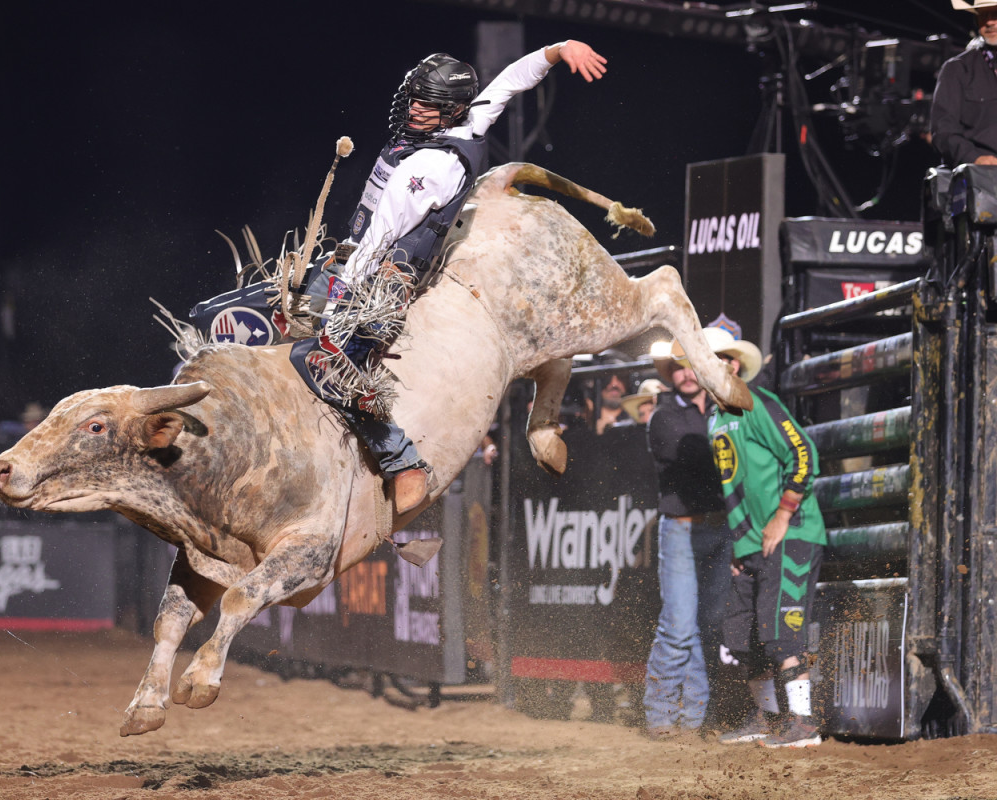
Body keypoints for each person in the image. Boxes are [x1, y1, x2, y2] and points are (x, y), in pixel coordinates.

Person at [295, 39, 609, 514]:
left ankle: (401, 462)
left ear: (450, 111)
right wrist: (558, 51)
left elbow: (378, 241)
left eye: (426, 103)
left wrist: (337, 305)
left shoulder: (427, 167)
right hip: (355, 261)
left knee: (326, 365)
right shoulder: (465, 124)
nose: (414, 109)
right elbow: (508, 83)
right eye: (413, 98)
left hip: (378, 283)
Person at [677, 327, 827, 749]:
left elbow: (803, 455)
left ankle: (804, 724)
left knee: (780, 632)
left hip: (790, 534)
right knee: (741, 636)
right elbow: (738, 484)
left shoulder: (757, 403)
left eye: (711, 358)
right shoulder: (716, 416)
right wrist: (740, 543)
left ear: (732, 364)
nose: (701, 367)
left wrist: (782, 515)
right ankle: (765, 719)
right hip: (751, 544)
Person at [640, 337, 734, 739]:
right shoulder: (664, 416)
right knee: (680, 625)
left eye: (689, 365)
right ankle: (663, 718)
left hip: (716, 527)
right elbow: (697, 459)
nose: (684, 373)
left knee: (702, 624)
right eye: (677, 367)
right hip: (682, 528)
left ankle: (691, 718)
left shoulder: (718, 413)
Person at [930, 0, 997, 168]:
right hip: (981, 178)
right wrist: (974, 157)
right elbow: (943, 131)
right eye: (983, 15)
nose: (989, 22)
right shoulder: (957, 69)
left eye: (995, 14)